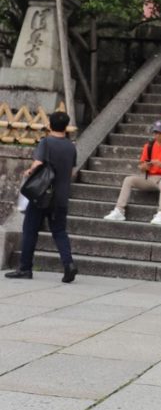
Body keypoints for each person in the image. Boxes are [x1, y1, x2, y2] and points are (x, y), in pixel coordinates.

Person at [5, 110, 78, 283]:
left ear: (50, 124)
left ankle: (25, 268)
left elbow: (38, 164)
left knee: (30, 230)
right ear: (65, 127)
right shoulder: (71, 146)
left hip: (43, 195)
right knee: (59, 231)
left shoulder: (46, 142)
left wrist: (29, 171)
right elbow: (71, 172)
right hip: (61, 196)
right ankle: (69, 264)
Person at [103, 120, 161, 226]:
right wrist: (144, 167)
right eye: (155, 132)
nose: (156, 135)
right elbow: (141, 167)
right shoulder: (149, 146)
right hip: (150, 177)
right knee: (128, 180)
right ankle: (119, 210)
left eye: (159, 132)